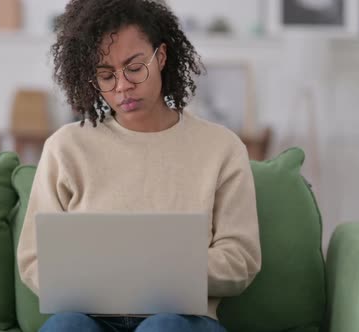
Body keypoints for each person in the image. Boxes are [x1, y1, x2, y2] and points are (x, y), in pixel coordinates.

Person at [17, 1, 261, 331]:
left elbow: (240, 261)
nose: (121, 86)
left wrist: (159, 270)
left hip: (181, 319)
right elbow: (35, 260)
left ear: (160, 57)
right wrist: (108, 275)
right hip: (90, 316)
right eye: (105, 75)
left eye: (134, 68)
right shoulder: (66, 148)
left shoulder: (221, 148)